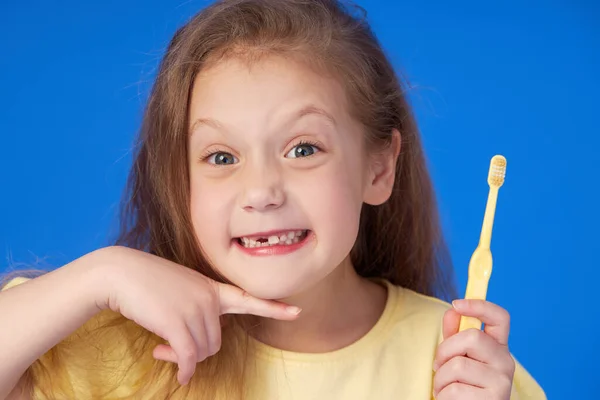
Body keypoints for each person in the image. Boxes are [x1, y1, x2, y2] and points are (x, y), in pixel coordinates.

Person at [0, 0, 546, 399]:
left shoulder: (464, 367)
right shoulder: (122, 352)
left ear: (378, 168)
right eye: (220, 157)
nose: (261, 191)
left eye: (303, 148)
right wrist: (99, 275)